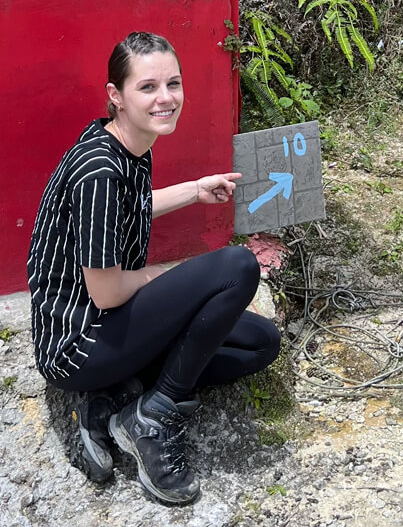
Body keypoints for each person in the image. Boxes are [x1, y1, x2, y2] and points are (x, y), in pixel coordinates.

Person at [27, 31, 281, 505]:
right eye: (147, 87)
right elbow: (106, 292)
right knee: (236, 267)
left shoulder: (125, 145)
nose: (165, 98)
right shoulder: (100, 171)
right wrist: (181, 279)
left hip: (111, 328)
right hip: (80, 344)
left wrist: (194, 189)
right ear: (115, 96)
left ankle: (116, 398)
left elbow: (129, 208)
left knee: (259, 344)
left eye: (174, 83)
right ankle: (151, 417)